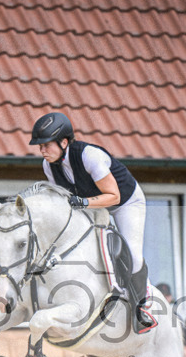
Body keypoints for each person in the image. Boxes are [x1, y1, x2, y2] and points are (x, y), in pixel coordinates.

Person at [29, 111, 155, 334]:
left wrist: (84, 202)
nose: (42, 150)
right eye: (40, 146)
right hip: (92, 205)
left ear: (64, 141)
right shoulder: (49, 166)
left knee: (133, 255)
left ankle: (141, 309)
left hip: (125, 201)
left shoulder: (89, 156)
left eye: (46, 145)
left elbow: (113, 196)